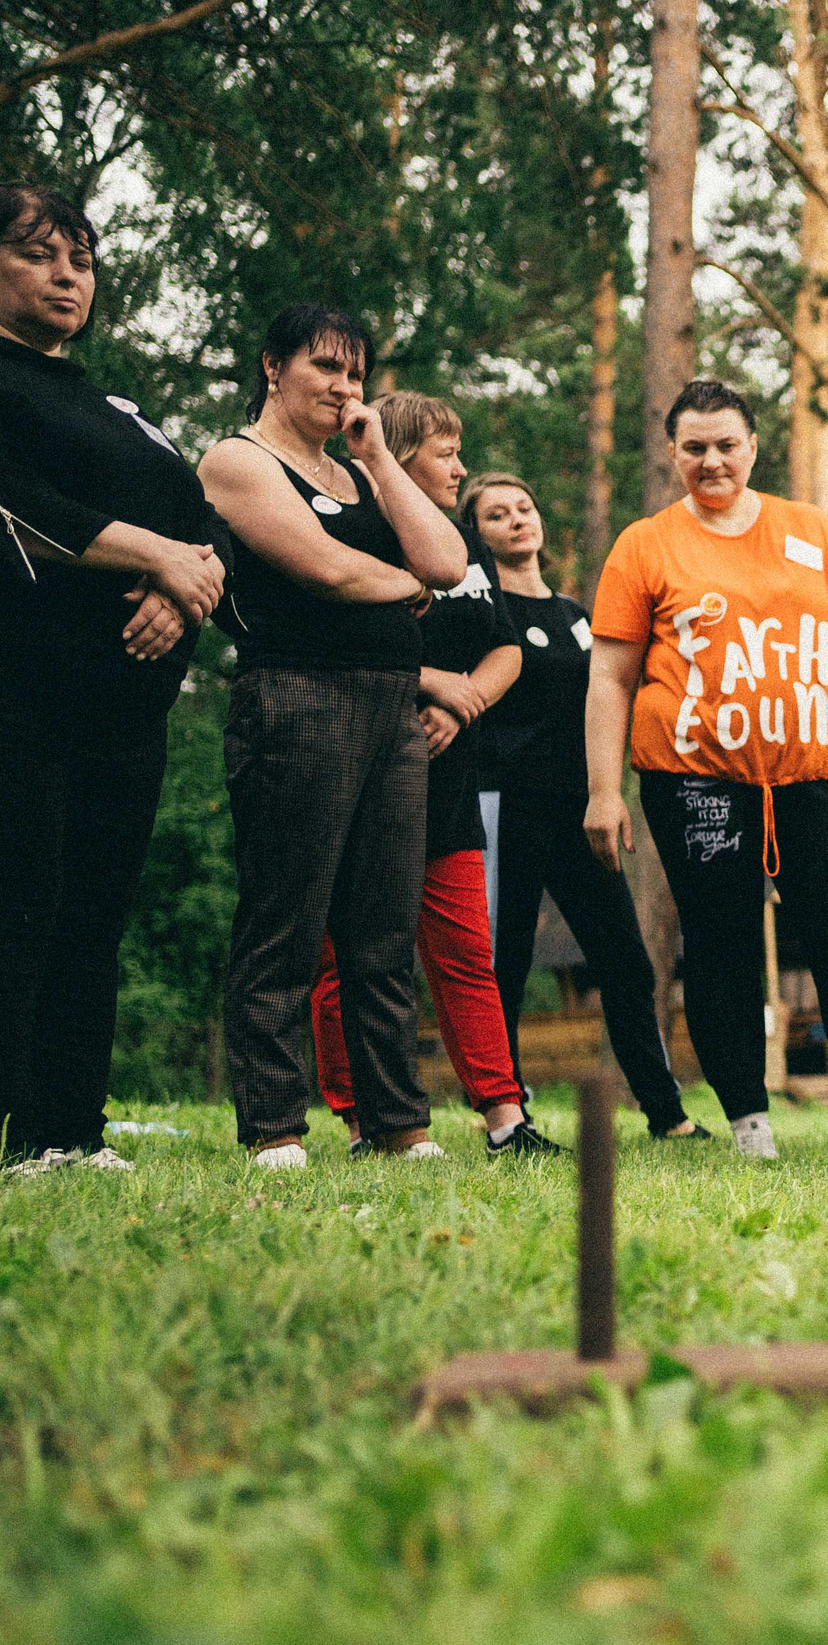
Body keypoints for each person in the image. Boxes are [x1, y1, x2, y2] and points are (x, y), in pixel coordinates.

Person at [0, 184, 228, 1177]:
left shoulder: (115, 408)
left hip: (120, 702)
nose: (70, 274)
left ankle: (70, 1131)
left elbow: (198, 518)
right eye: (39, 253)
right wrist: (162, 556)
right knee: (6, 899)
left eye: (83, 258)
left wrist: (185, 591)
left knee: (92, 916)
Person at [584, 378, 828, 1161]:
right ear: (672, 453)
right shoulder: (645, 544)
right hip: (694, 777)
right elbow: (610, 677)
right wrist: (604, 790)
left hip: (815, 770)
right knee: (721, 939)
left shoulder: (807, 530)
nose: (711, 460)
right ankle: (748, 1124)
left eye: (726, 444)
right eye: (694, 447)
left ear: (753, 447)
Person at [200, 306, 468, 1169]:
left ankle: (397, 1123)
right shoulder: (237, 459)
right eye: (325, 367)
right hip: (296, 697)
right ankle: (275, 1125)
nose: (344, 387)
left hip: (391, 708)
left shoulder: (361, 474)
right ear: (272, 367)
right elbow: (320, 564)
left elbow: (450, 562)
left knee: (382, 931)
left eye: (355, 373)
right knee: (286, 919)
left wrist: (379, 455)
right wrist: (407, 588)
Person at [304, 395, 561, 1158]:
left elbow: (505, 649)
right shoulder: (355, 531)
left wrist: (465, 699)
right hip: (359, 770)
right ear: (400, 450)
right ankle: (359, 1119)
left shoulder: (462, 547)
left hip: (448, 786)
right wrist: (430, 683)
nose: (460, 467)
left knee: (466, 956)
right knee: (342, 960)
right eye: (446, 452)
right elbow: (331, 641)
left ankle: (505, 1119)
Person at [465, 470, 707, 1141]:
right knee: (502, 961)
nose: (517, 520)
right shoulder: (484, 613)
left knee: (625, 959)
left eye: (524, 506)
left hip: (581, 810)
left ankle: (666, 1112)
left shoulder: (580, 618)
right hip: (505, 802)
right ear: (475, 535)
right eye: (496, 515)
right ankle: (509, 1114)